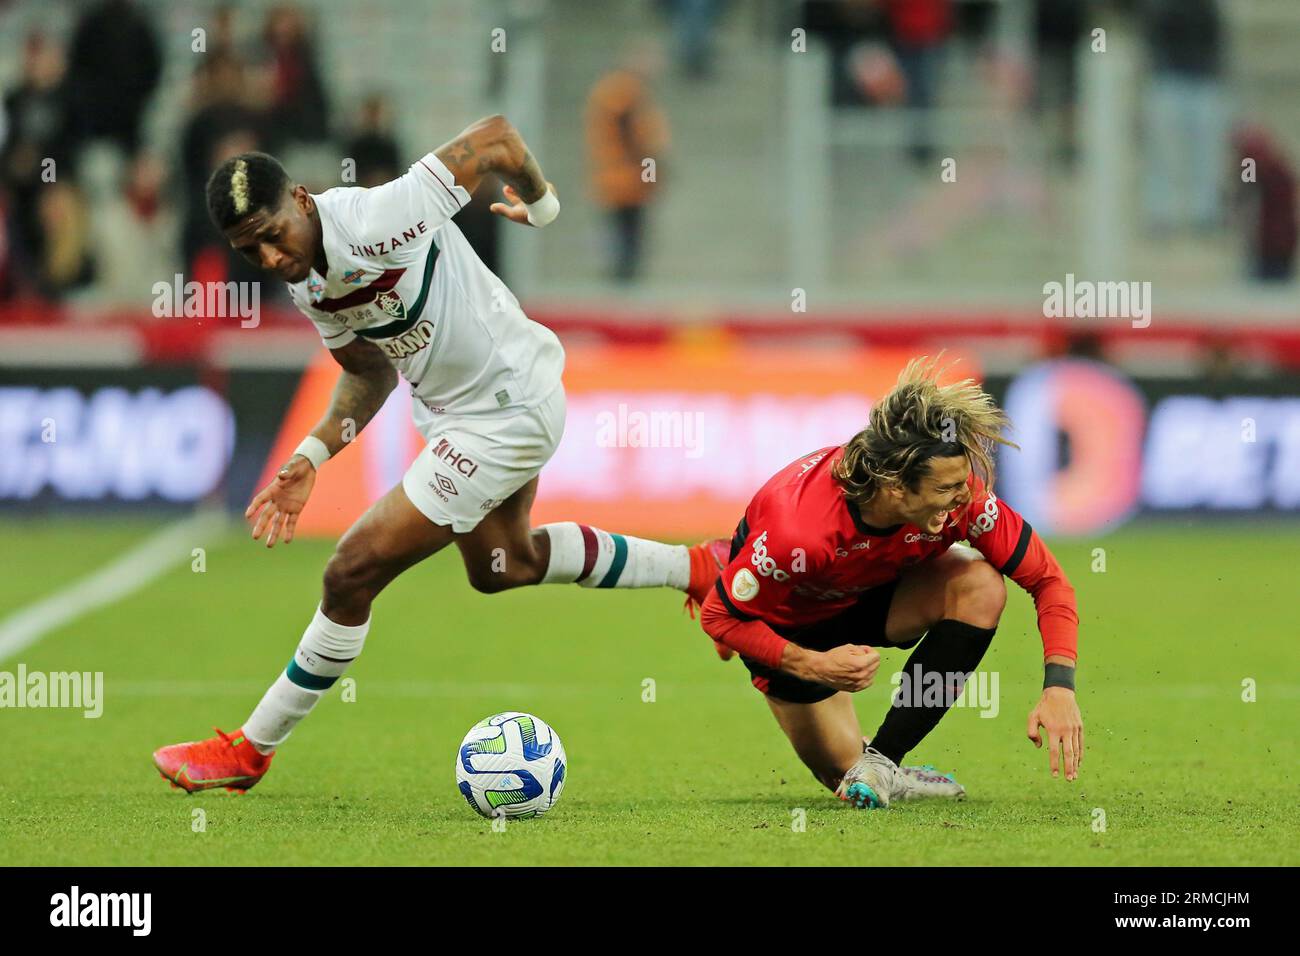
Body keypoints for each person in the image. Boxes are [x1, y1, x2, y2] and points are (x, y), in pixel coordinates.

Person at [152, 114, 728, 793]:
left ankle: (251, 749)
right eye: (253, 252)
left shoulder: (379, 216)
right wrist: (312, 454)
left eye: (275, 235)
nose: (273, 258)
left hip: (506, 408)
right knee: (504, 565)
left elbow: (499, 139)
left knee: (350, 571)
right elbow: (369, 375)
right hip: (466, 415)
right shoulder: (308, 283)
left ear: (302, 199)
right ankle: (698, 566)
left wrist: (542, 205)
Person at [699, 357, 1082, 809]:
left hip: (873, 596)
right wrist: (811, 664)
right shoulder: (801, 532)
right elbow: (718, 616)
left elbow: (1050, 581)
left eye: (964, 482)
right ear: (896, 487)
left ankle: (884, 761)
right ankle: (714, 567)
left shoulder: (965, 502)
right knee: (839, 775)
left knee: (980, 585)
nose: (963, 496)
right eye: (945, 489)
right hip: (792, 628)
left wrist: (1059, 686)